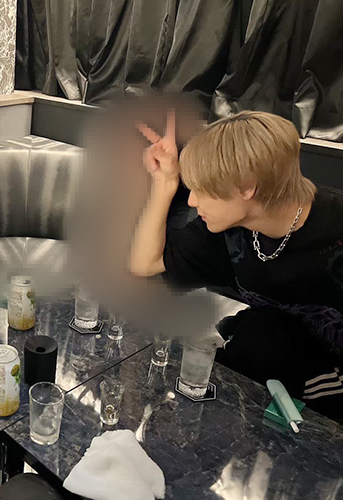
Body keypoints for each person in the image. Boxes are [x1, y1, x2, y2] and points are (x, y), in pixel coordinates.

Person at [130, 109, 343, 422]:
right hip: (270, 350)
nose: (192, 202)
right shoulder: (227, 228)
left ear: (246, 187)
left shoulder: (335, 227)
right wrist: (165, 183)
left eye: (203, 190)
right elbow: (145, 263)